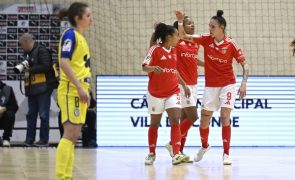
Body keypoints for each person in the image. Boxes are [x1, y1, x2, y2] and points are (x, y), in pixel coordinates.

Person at [175, 10, 249, 165]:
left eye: (212, 26)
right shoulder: (206, 39)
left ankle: (226, 154)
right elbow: (182, 36)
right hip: (210, 87)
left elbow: (245, 65)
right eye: (209, 26)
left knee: (224, 117)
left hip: (228, 84)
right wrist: (180, 21)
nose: (210, 29)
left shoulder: (231, 43)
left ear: (221, 27)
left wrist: (243, 83)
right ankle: (204, 146)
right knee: (203, 121)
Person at [142, 22, 191, 165]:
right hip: (156, 93)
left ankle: (176, 154)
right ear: (169, 37)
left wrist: (184, 85)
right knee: (155, 123)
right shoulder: (155, 50)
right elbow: (144, 67)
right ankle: (151, 153)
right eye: (177, 35)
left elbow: (174, 71)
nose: (179, 38)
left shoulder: (174, 51)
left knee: (176, 120)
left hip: (172, 91)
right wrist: (152, 68)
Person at [55, 2, 92, 179]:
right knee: (69, 134)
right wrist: (78, 87)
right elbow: (64, 62)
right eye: (88, 16)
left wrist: (86, 90)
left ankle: (67, 176)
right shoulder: (70, 35)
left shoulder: (81, 36)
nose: (91, 19)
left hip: (80, 90)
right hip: (71, 90)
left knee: (74, 135)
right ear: (78, 18)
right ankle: (61, 177)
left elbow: (81, 67)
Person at [163, 16, 205, 159]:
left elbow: (193, 59)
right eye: (189, 23)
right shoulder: (178, 43)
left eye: (193, 23)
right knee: (193, 117)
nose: (192, 25)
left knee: (184, 119)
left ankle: (178, 151)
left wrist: (206, 64)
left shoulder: (195, 44)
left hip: (194, 84)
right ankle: (172, 143)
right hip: (183, 85)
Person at [19, 33, 58, 147]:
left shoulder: (42, 50)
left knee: (43, 115)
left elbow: (46, 67)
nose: (21, 47)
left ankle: (43, 140)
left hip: (44, 88)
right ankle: (29, 140)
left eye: (22, 45)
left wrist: (30, 69)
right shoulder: (27, 53)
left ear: (26, 42)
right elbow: (27, 71)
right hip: (32, 89)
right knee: (31, 114)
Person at [0, 81, 18, 147]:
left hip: (3, 119)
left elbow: (15, 106)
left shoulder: (7, 89)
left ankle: (6, 139)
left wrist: (5, 109)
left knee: (10, 114)